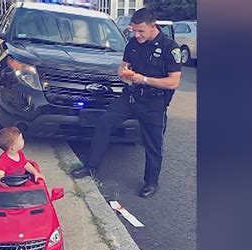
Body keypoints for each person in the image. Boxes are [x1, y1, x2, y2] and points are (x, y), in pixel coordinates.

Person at [71, 8, 182, 198]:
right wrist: (123, 73)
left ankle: (151, 182)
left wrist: (144, 79)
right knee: (105, 122)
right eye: (133, 30)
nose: (136, 34)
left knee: (153, 143)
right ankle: (91, 166)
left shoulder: (169, 47)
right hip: (130, 96)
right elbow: (123, 67)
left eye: (141, 31)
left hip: (154, 102)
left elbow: (173, 82)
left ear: (152, 26)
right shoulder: (133, 43)